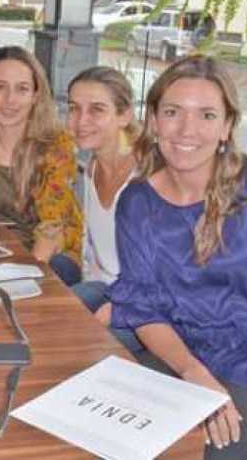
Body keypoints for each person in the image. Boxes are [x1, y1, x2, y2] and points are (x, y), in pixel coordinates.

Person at [109, 55, 247, 458]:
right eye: (173, 112)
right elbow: (142, 308)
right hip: (185, 349)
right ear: (153, 120)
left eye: (207, 115)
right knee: (109, 434)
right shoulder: (137, 202)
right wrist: (193, 372)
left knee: (185, 450)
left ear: (226, 127)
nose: (188, 130)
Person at [0, 46, 82, 284]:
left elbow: (53, 228)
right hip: (1, 249)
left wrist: (20, 275)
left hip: (52, 256)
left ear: (36, 95)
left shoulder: (56, 146)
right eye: (0, 87)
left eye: (22, 89)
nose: (10, 99)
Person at [66, 66, 143, 353]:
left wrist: (117, 309)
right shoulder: (92, 167)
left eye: (96, 109)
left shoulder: (148, 177)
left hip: (144, 305)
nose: (80, 121)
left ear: (124, 115)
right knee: (47, 316)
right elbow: (91, 250)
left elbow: (165, 273)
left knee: (84, 347)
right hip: (105, 288)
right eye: (74, 108)